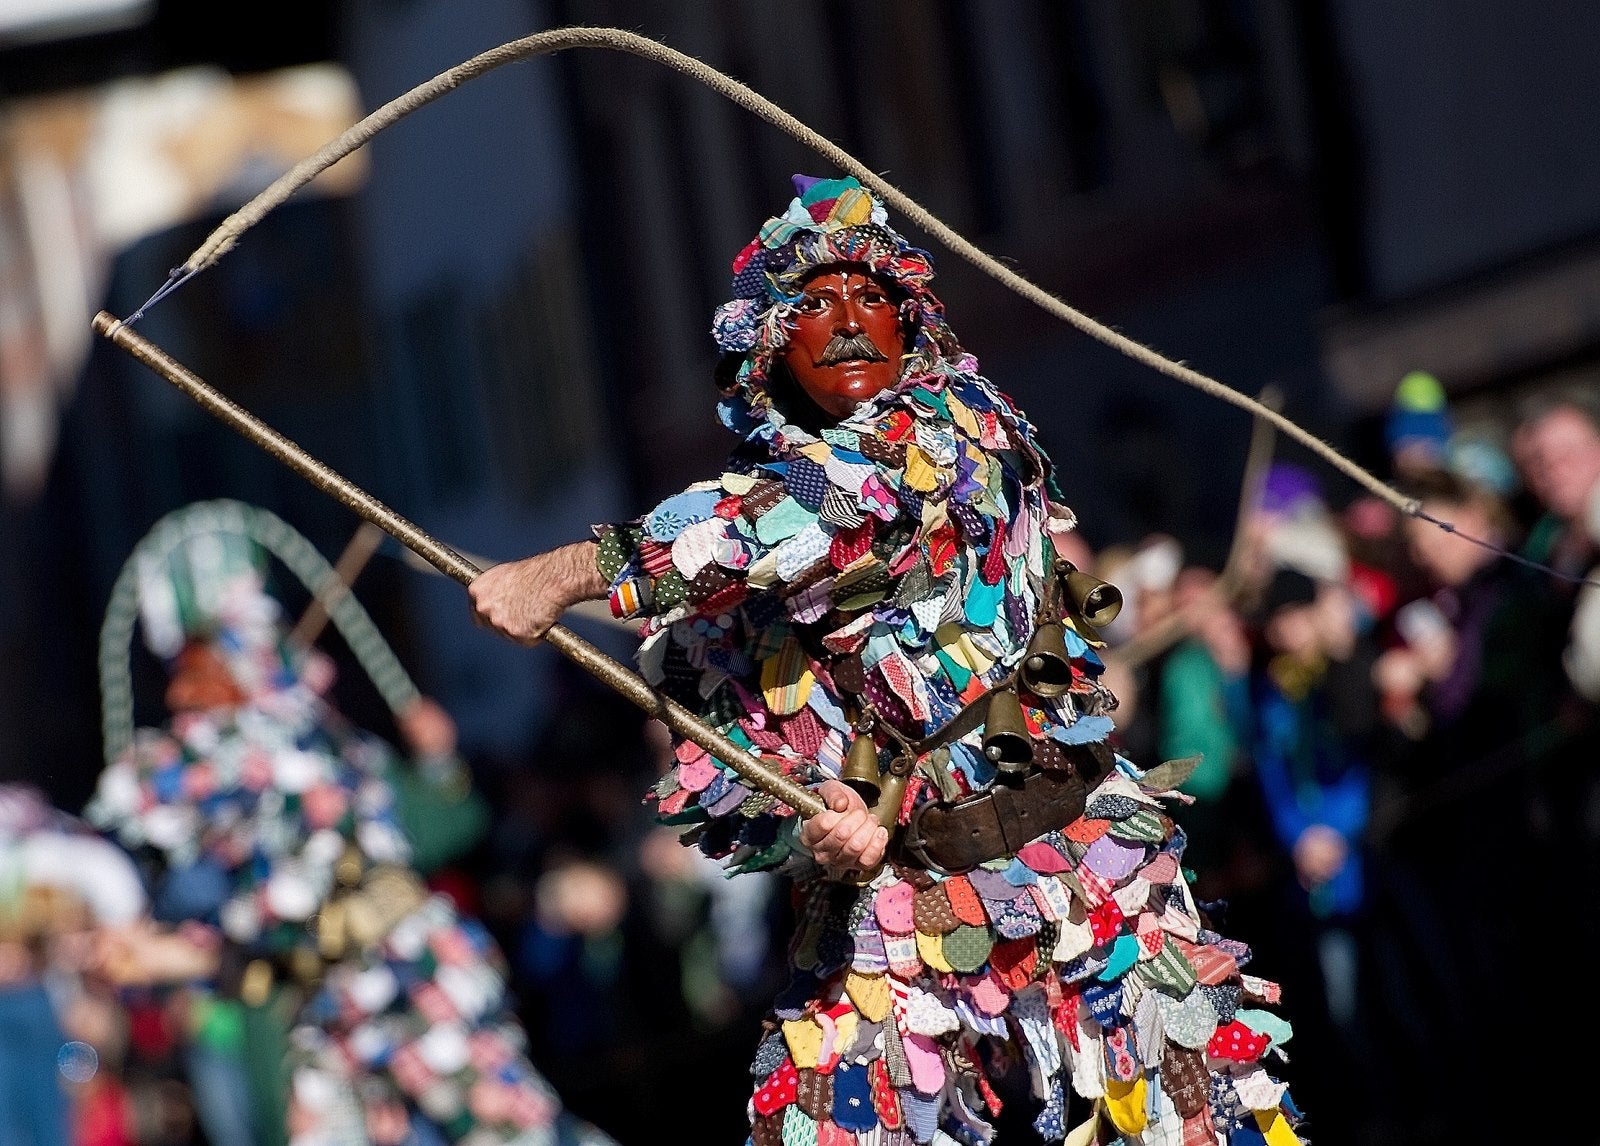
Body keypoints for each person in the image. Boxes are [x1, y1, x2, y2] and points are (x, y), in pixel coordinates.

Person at [471, 175, 1305, 1144]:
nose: (852, 321)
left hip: (1082, 871)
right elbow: (760, 732)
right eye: (815, 305)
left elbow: (783, 519)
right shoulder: (771, 587)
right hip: (906, 906)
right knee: (817, 1118)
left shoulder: (950, 431)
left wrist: (566, 571)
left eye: (872, 297)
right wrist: (823, 813)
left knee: (1197, 1118)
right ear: (770, 349)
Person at [87, 514, 614, 1146]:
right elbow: (242, 918)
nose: (183, 695)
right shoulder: (221, 762)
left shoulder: (312, 743)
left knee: (509, 1127)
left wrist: (439, 763)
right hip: (322, 1011)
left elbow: (439, 827)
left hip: (412, 972)